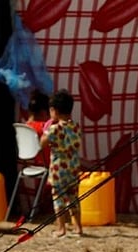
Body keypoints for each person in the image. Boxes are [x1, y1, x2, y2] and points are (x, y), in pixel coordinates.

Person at [40, 88, 83, 238]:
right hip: (73, 167)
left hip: (59, 168)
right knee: (73, 196)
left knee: (58, 197)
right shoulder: (76, 127)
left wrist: (47, 130)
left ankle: (61, 228)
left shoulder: (54, 129)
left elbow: (42, 143)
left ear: (54, 111)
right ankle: (78, 227)